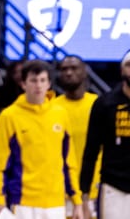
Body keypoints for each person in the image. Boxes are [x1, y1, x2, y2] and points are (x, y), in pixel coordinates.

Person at [0, 60, 83, 219]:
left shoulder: (61, 114)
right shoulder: (9, 116)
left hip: (56, 203)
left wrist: (77, 200)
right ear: (23, 83)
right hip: (21, 202)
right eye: (33, 80)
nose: (38, 85)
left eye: (42, 80)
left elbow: (69, 162)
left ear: (49, 83)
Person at [80, 50, 130, 219]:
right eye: (129, 65)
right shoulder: (105, 103)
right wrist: (84, 193)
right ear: (122, 70)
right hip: (113, 185)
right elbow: (91, 150)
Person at [53, 55, 100, 218]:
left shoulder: (99, 105)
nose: (68, 73)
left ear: (85, 72)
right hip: (60, 191)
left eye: (73, 68)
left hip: (95, 190)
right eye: (64, 69)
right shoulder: (51, 107)